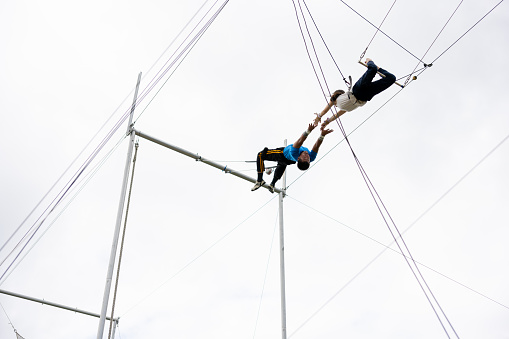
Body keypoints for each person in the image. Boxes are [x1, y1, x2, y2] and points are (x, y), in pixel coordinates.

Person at [251, 122, 333, 193]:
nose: (307, 155)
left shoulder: (295, 153)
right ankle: (272, 184)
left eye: (304, 157)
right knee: (280, 167)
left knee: (260, 155)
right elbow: (316, 146)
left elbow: (300, 140)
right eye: (308, 158)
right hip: (288, 161)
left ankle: (259, 180)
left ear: (298, 158)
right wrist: (322, 135)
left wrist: (308, 131)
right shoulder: (311, 157)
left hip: (281, 154)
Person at [314, 58, 396, 128]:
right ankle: (378, 68)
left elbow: (325, 110)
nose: (335, 106)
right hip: (365, 96)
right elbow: (336, 116)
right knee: (392, 78)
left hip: (357, 90)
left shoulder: (334, 100)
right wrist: (327, 122)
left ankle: (368, 60)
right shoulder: (343, 109)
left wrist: (319, 117)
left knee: (372, 69)